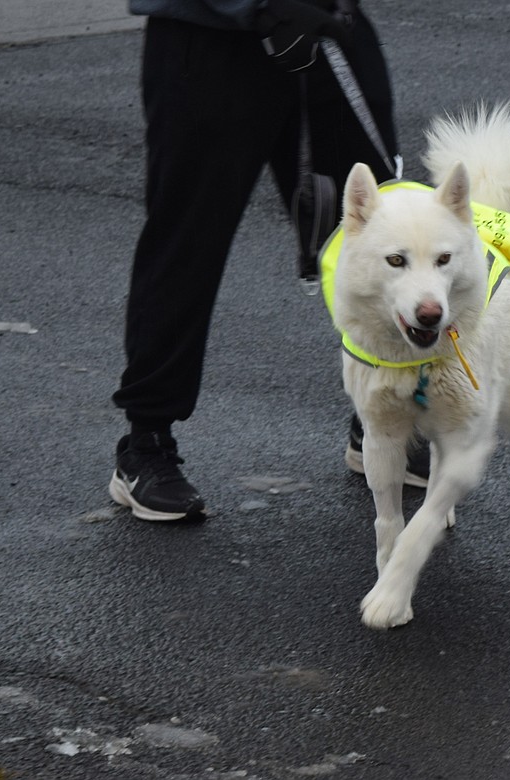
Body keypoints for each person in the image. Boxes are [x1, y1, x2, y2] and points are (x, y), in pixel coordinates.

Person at [110, 0, 411, 521]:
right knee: (187, 242)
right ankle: (145, 443)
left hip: (323, 27)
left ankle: (382, 418)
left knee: (386, 234)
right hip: (209, 43)